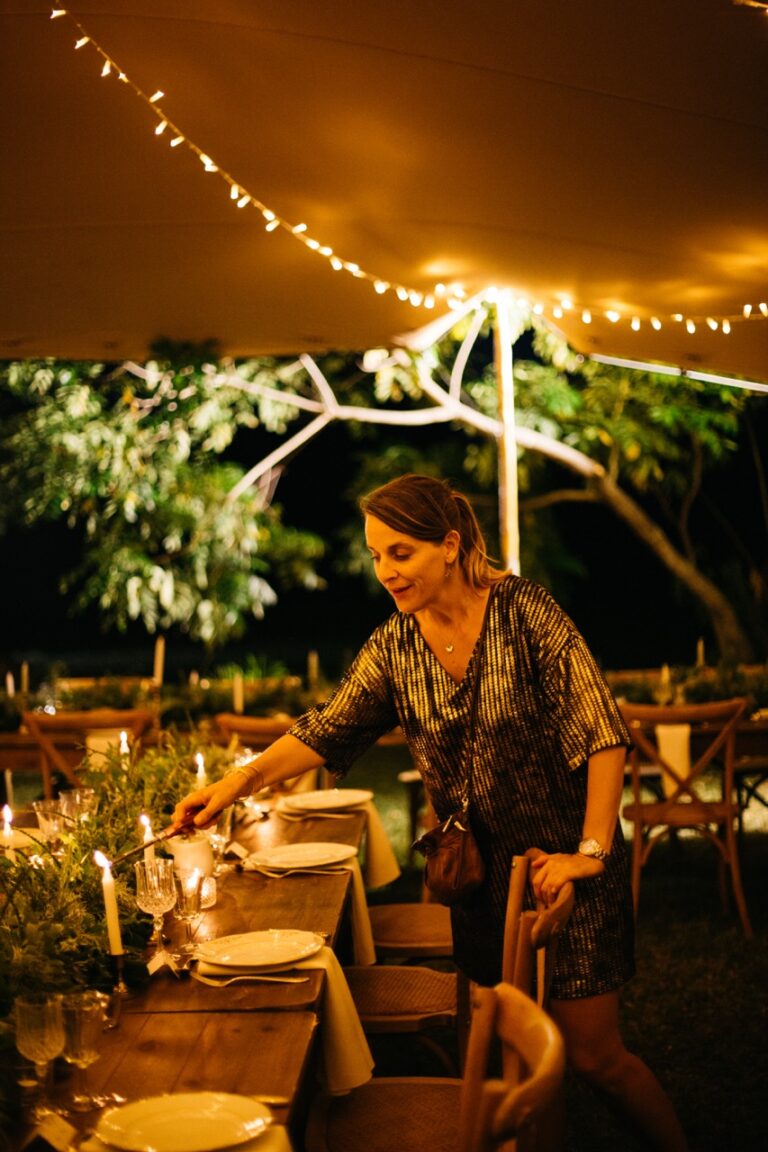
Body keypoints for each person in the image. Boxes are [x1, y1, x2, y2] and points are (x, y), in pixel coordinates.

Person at [173, 473, 688, 1152]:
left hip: (566, 869)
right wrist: (235, 784)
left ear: (449, 546)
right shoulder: (395, 645)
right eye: (376, 555)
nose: (386, 571)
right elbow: (327, 727)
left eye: (401, 553)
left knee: (595, 1058)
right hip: (478, 881)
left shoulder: (526, 612)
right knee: (515, 1053)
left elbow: (602, 735)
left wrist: (588, 854)